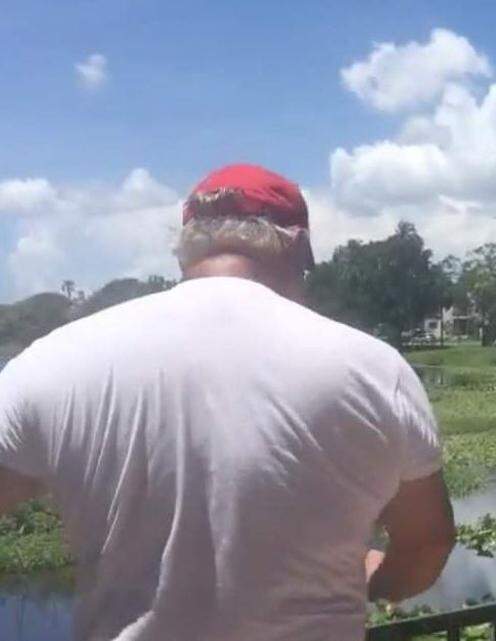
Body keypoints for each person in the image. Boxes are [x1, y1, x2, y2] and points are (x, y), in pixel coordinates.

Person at [0, 164, 456, 640]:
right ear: (299, 246)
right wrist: (372, 582)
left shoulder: (57, 359)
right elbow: (428, 543)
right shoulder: (374, 370)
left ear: (186, 247)